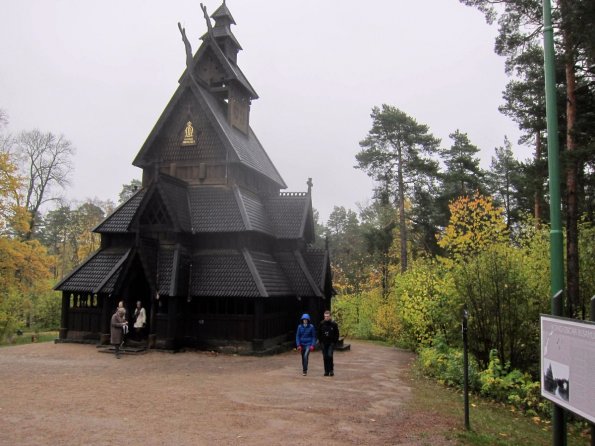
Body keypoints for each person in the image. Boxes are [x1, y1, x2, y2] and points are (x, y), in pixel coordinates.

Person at [318, 310, 340, 376]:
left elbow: (337, 334)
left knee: (330, 355)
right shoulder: (321, 324)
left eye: (327, 316)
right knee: (325, 357)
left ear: (330, 316)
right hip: (324, 343)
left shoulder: (334, 324)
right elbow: (319, 333)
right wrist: (320, 342)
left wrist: (334, 342)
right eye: (325, 316)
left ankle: (331, 370)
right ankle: (326, 371)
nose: (326, 317)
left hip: (331, 343)